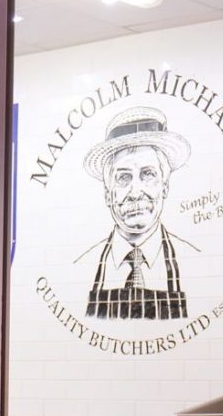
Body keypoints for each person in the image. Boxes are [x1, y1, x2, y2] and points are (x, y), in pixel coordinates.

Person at [77, 106, 197, 320]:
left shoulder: (195, 262)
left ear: (165, 186)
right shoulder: (81, 266)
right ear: (107, 193)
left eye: (148, 174)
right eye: (123, 177)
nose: (135, 192)